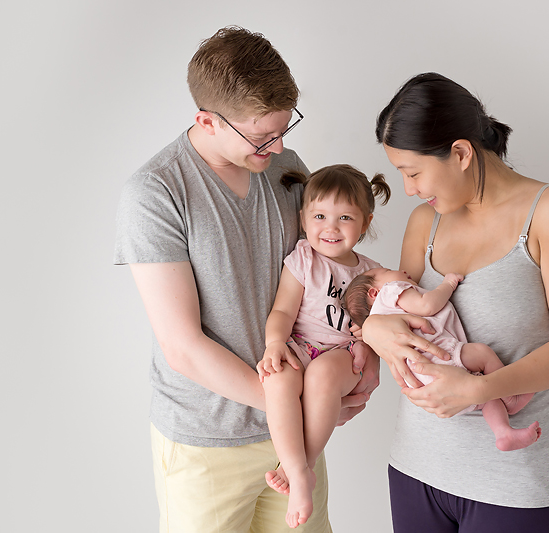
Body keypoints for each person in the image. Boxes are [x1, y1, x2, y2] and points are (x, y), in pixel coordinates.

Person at [113, 27, 379, 533]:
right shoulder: (154, 193)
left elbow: (337, 267)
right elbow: (183, 347)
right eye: (262, 137)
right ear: (206, 121)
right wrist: (299, 404)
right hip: (207, 444)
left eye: (285, 130)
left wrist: (367, 353)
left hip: (296, 439)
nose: (277, 148)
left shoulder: (287, 168)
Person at [361, 73, 549, 533]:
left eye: (413, 172)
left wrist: (478, 390)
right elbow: (396, 310)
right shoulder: (424, 223)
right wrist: (373, 330)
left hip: (517, 486)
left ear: (460, 152)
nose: (410, 189)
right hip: (417, 468)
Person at [255, 164, 389, 528]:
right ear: (303, 219)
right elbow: (283, 309)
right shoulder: (303, 259)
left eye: (345, 217)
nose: (330, 228)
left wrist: (371, 346)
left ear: (365, 223)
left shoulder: (373, 273)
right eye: (320, 216)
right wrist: (274, 344)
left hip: (342, 355)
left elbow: (383, 324)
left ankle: (305, 464)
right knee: (277, 380)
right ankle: (297, 471)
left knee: (323, 378)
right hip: (300, 345)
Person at [344, 267, 541, 450]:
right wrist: (449, 283)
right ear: (374, 293)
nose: (401, 270)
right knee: (482, 354)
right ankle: (511, 397)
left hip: (424, 380)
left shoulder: (380, 318)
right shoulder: (390, 292)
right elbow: (427, 305)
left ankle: (503, 432)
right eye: (388, 270)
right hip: (438, 356)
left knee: (483, 394)